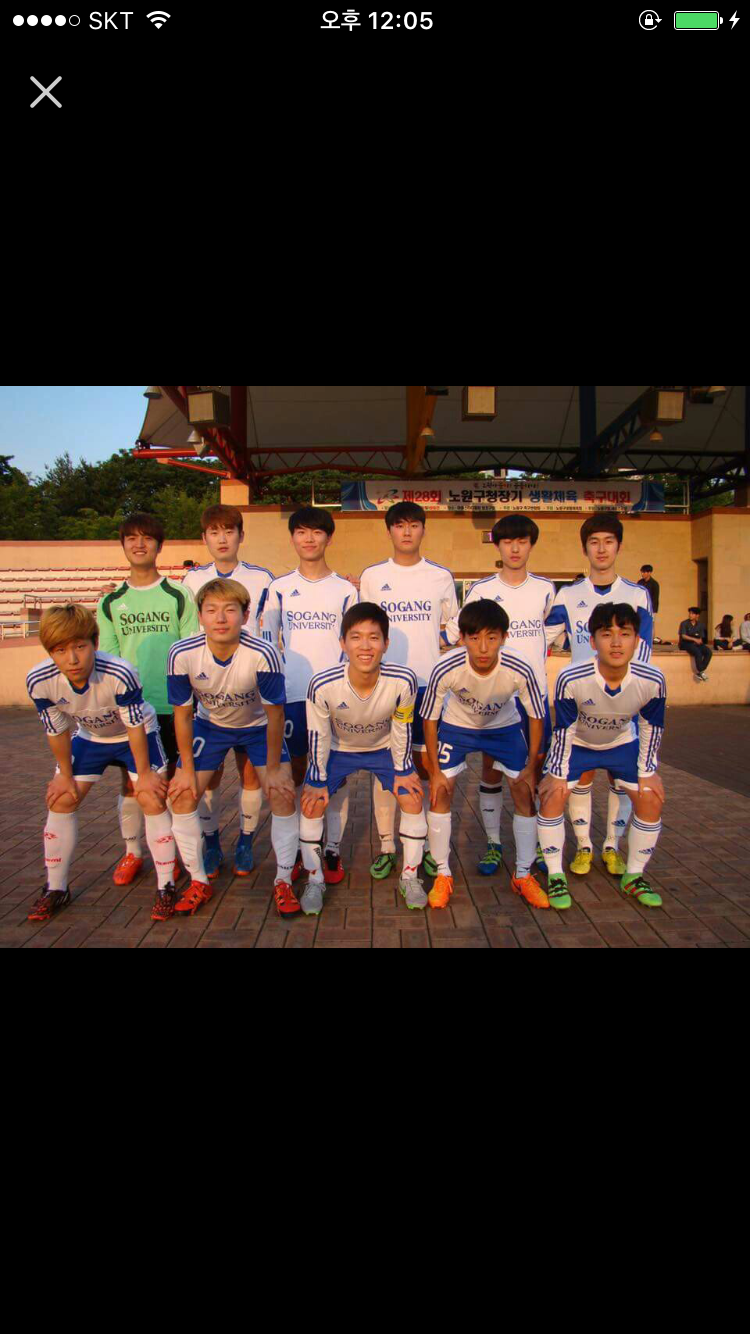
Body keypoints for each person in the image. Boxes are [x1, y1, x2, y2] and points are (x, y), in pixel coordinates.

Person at [25, 604, 176, 925]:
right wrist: (64, 775)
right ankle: (56, 888)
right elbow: (57, 730)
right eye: (60, 650)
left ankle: (166, 885)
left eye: (80, 647)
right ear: (50, 652)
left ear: (94, 642)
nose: (72, 659)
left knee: (150, 796)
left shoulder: (119, 671)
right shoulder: (39, 680)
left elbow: (134, 725)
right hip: (91, 736)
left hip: (136, 733)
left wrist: (144, 775)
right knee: (61, 799)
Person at [166, 579, 300, 918]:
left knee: (282, 793)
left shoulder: (263, 653)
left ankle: (283, 880)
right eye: (211, 610)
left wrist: (273, 769)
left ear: (245, 615)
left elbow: (275, 715)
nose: (221, 618)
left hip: (258, 727)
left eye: (230, 610)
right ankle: (199, 881)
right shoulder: (182, 653)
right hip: (211, 727)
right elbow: (182, 715)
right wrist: (184, 768)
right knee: (181, 795)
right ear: (200, 615)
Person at [544, 512, 654, 878]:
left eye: (608, 541)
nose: (601, 549)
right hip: (580, 706)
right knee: (582, 776)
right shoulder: (568, 595)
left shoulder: (637, 595)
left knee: (622, 779)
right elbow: (542, 639)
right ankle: (583, 847)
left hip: (623, 705)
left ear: (619, 546)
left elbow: (644, 649)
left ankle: (611, 846)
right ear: (585, 549)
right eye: (594, 542)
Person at [445, 513, 555, 876]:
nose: (515, 548)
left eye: (522, 541)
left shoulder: (546, 589)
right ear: (498, 546)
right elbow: (457, 633)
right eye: (508, 542)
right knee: (491, 771)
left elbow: (553, 631)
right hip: (494, 698)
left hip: (532, 697)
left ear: (531, 545)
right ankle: (494, 843)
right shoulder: (480, 590)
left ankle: (537, 844)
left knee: (532, 772)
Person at [299, 603, 426, 915]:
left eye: (374, 637)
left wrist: (403, 769)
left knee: (412, 796)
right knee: (312, 803)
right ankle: (315, 880)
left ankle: (410, 878)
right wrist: (316, 779)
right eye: (356, 637)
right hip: (339, 749)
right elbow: (318, 735)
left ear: (386, 643)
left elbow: (402, 727)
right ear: (342, 643)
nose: (365, 646)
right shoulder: (322, 683)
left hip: (383, 749)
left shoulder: (404, 680)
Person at [538, 603, 666, 911]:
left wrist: (648, 771)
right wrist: (556, 774)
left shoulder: (652, 678)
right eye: (607, 634)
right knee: (552, 795)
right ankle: (555, 875)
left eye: (625, 634)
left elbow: (651, 726)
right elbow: (564, 729)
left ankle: (634, 875)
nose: (617, 643)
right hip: (578, 744)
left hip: (620, 743)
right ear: (593, 641)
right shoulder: (572, 676)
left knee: (651, 797)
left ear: (638, 640)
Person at [422, 599, 548, 910]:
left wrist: (532, 765)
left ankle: (523, 874)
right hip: (457, 726)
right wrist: (435, 771)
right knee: (440, 791)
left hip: (504, 728)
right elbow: (430, 719)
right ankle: (442, 874)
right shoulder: (445, 666)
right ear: (462, 638)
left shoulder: (519, 666)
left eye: (491, 638)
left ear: (504, 637)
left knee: (524, 790)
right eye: (474, 637)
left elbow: (536, 716)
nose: (482, 647)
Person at [97, 513, 199, 888]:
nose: (139, 544)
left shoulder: (178, 594)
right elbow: (109, 659)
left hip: (174, 707)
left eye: (147, 538)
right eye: (131, 538)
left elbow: (190, 650)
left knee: (172, 784)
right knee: (132, 784)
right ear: (123, 545)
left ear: (159, 545)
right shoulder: (110, 601)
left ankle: (174, 855)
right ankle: (132, 852)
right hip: (133, 711)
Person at [359, 500, 458, 882]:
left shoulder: (440, 576)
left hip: (428, 687)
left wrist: (440, 642)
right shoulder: (372, 576)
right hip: (385, 686)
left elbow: (454, 623)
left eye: (414, 525)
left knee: (429, 767)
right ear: (389, 531)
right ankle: (387, 846)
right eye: (399, 525)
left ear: (423, 530)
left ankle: (429, 848)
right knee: (387, 770)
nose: (406, 531)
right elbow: (364, 628)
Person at [262, 506, 358, 886]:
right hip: (292, 697)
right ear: (292, 538)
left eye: (317, 532)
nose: (309, 539)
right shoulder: (279, 588)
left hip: (333, 699)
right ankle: (306, 848)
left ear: (328, 538)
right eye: (301, 532)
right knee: (299, 773)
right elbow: (268, 642)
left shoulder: (346, 590)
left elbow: (353, 644)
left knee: (333, 775)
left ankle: (331, 847)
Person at [181, 504, 275, 877]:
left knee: (250, 774)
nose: (222, 539)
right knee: (210, 776)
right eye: (214, 532)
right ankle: (211, 841)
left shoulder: (262, 578)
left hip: (250, 697)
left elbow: (270, 633)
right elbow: (189, 639)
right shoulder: (190, 581)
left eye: (229, 531)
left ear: (240, 536)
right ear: (204, 538)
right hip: (211, 697)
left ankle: (246, 841)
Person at [678, 607, 712, 679]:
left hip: (696, 643)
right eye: (690, 613)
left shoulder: (701, 625)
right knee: (698, 652)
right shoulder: (684, 623)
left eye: (692, 614)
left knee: (708, 652)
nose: (690, 615)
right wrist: (694, 639)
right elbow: (683, 636)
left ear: (697, 615)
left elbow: (701, 637)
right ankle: (701, 671)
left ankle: (700, 671)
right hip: (685, 643)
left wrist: (699, 641)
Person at [638, 564, 661, 641]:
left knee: (651, 624)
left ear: (649, 573)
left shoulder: (654, 584)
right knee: (641, 623)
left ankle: (650, 641)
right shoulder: (640, 582)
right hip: (641, 607)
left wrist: (652, 610)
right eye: (642, 572)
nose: (642, 574)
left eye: (644, 572)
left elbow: (655, 598)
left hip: (651, 608)